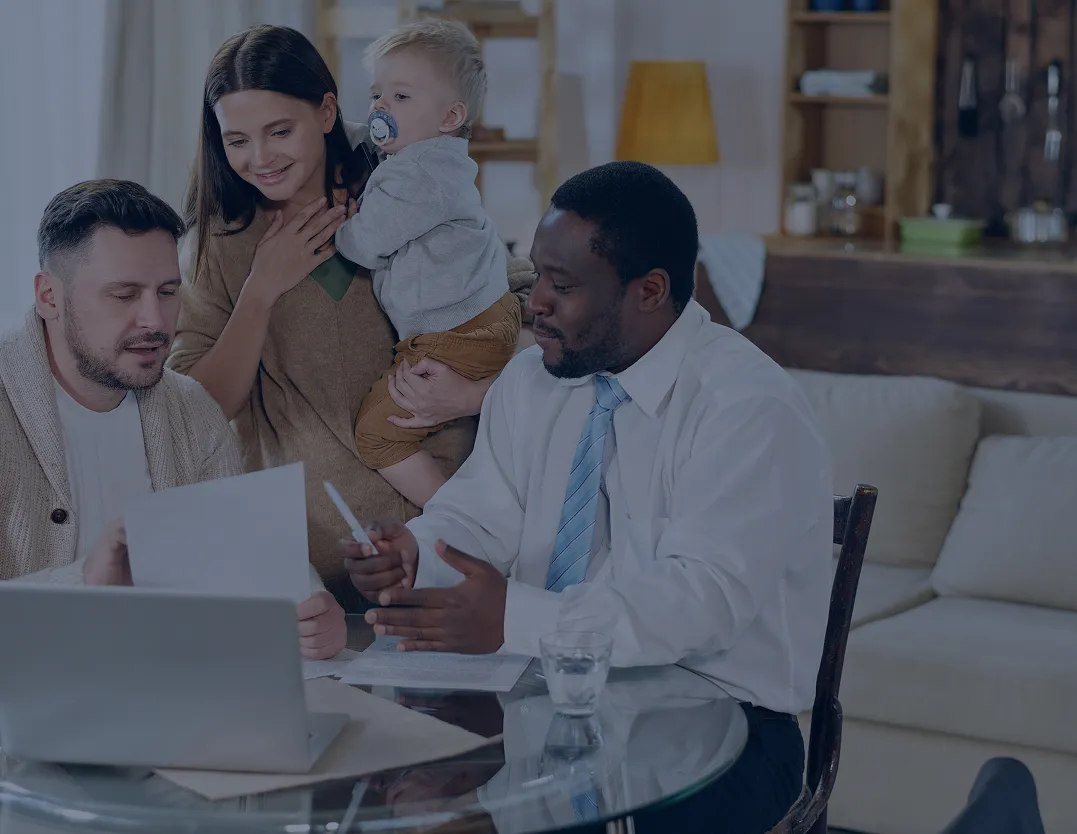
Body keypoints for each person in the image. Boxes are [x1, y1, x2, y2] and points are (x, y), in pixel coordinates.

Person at [342, 161, 834, 833]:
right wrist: (415, 555)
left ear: (649, 291)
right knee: (393, 795)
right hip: (544, 705)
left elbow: (700, 602)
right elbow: (478, 515)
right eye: (536, 273)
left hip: (725, 728)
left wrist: (511, 617)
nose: (533, 301)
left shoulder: (745, 407)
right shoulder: (532, 381)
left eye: (561, 285)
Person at [168, 24, 534, 610]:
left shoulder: (405, 176)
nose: (259, 158)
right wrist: (260, 291)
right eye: (237, 140)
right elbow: (197, 408)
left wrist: (475, 394)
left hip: (450, 546)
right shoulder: (220, 246)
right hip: (315, 575)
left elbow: (516, 300)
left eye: (280, 131)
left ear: (328, 110)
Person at [0, 179, 346, 660]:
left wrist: (310, 609)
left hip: (171, 693)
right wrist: (84, 582)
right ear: (49, 297)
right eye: (123, 295)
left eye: (167, 292)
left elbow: (246, 548)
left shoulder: (190, 408)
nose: (156, 321)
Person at [337, 19, 521, 509]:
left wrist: (340, 225)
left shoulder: (416, 176)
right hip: (486, 314)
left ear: (448, 116)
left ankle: (460, 524)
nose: (379, 108)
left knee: (377, 434)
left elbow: (365, 244)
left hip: (452, 336)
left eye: (401, 97)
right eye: (377, 94)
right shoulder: (440, 161)